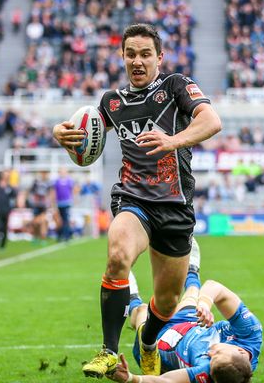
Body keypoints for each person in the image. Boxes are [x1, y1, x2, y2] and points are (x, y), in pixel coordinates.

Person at [53, 23, 222, 377]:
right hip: (134, 199)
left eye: (146, 54)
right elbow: (84, 137)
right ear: (123, 57)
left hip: (175, 207)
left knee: (167, 302)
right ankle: (109, 352)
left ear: (159, 58)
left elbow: (211, 121)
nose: (138, 61)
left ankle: (147, 341)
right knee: (117, 255)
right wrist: (62, 133)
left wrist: (172, 141)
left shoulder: (176, 86)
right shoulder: (111, 102)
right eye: (131, 54)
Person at [109, 240, 261, 383]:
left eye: (211, 359)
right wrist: (205, 306)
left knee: (141, 312)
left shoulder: (211, 372)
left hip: (161, 346)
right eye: (218, 353)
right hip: (190, 322)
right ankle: (192, 272)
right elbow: (215, 287)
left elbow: (167, 381)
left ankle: (131, 296)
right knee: (193, 296)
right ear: (240, 351)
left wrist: (131, 378)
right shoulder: (250, 333)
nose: (209, 353)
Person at [0, 170, 16, 249]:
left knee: (5, 227)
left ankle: (3, 245)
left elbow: (14, 195)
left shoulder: (9, 187)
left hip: (6, 209)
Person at [53, 167, 75, 242]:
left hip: (67, 203)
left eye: (64, 172)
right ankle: (60, 235)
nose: (62, 173)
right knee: (59, 220)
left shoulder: (69, 181)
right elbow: (54, 192)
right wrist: (53, 202)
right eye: (61, 172)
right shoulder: (57, 181)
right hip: (59, 203)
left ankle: (66, 236)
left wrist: (73, 199)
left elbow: (73, 190)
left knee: (66, 220)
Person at [29, 171, 51, 241]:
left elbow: (50, 193)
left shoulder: (48, 183)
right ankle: (36, 236)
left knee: (43, 221)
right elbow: (31, 192)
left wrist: (49, 203)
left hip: (43, 205)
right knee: (35, 222)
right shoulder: (36, 182)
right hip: (36, 205)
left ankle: (43, 237)